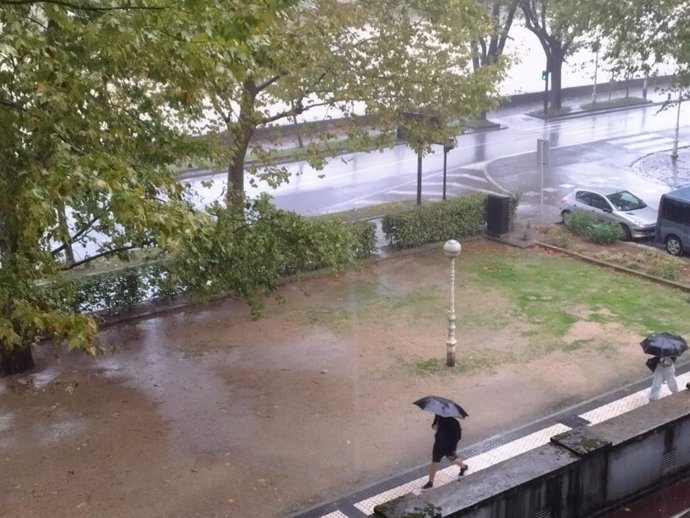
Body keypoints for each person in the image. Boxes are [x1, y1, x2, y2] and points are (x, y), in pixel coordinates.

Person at [421, 414, 468, 490]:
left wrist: (452, 449)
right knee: (434, 462)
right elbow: (434, 426)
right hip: (438, 444)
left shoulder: (453, 422)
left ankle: (464, 467)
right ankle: (430, 482)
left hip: (448, 447)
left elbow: (457, 437)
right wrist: (435, 426)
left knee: (453, 460)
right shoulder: (438, 416)